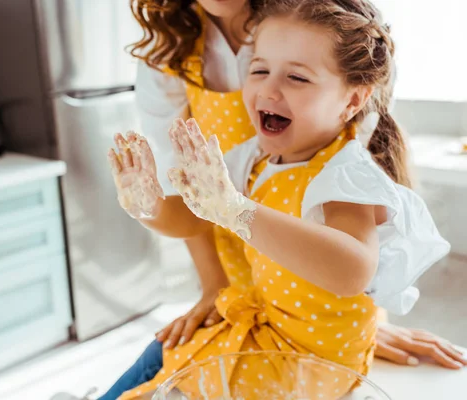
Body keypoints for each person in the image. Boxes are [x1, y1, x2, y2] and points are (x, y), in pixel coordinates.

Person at [105, 0, 464, 398]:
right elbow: (192, 218)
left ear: (352, 102)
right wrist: (149, 206)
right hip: (267, 328)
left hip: (314, 362)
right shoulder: (252, 159)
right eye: (258, 70)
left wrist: (236, 210)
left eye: (297, 78)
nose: (269, 89)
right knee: (164, 363)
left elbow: (353, 270)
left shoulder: (344, 173)